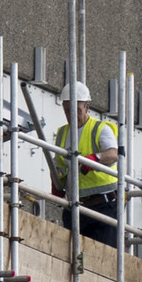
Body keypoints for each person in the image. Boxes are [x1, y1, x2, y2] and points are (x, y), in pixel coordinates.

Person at [51, 82, 122, 245]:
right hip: (75, 207)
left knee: (103, 257)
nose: (71, 115)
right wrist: (56, 183)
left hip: (104, 206)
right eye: (67, 110)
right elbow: (59, 165)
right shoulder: (62, 133)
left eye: (77, 110)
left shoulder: (100, 129)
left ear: (87, 107)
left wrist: (95, 159)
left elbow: (113, 153)